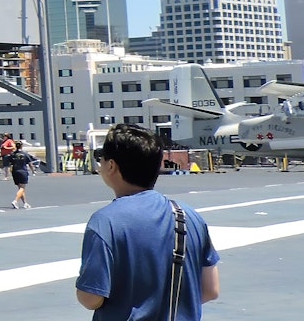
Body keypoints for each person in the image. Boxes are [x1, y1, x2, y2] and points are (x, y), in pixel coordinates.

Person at [77, 124, 220, 318]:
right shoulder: (189, 215)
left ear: (111, 166)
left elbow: (91, 297)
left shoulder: (105, 222)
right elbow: (211, 289)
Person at [8, 144, 37, 209]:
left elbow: (10, 163)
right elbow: (30, 164)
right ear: (21, 146)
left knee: (20, 188)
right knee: (22, 188)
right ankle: (15, 201)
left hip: (15, 171)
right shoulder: (25, 154)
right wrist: (33, 171)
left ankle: (25, 203)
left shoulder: (13, 154)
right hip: (22, 171)